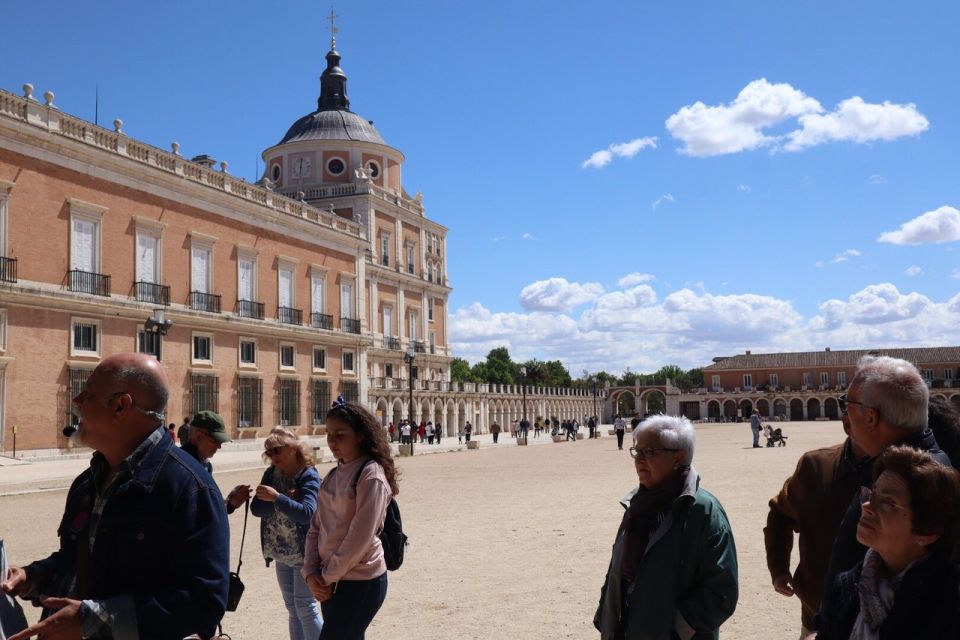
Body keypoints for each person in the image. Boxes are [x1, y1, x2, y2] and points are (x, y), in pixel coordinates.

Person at [0, 353, 229, 639]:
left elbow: (204, 601)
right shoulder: (88, 481)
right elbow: (77, 562)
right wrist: (32, 577)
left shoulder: (190, 487)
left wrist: (91, 619)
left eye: (88, 395)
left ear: (121, 406)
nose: (77, 401)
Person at [595, 415, 739, 639]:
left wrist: (677, 629)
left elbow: (721, 590)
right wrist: (606, 616)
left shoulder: (703, 511)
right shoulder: (637, 505)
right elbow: (618, 570)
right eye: (636, 451)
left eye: (649, 452)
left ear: (678, 457)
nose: (639, 460)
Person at [822, 356, 951, 590]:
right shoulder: (923, 469)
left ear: (870, 417)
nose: (845, 416)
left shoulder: (911, 480)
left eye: (846, 404)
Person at [814, 446, 960, 639]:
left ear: (928, 531)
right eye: (871, 494)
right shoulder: (845, 588)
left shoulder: (949, 603)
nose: (866, 506)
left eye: (888, 502)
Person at [303, 400, 398, 640]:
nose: (331, 441)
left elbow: (360, 537)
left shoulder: (370, 475)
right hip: (332, 581)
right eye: (328, 434)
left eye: (340, 434)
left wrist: (324, 577)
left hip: (360, 581)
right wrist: (310, 571)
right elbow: (316, 526)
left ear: (360, 436)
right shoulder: (335, 474)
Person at [765, 414, 862, 637]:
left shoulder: (909, 471)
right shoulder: (816, 466)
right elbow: (780, 514)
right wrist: (779, 568)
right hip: (816, 613)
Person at [227, 428, 323, 640]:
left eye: (277, 450)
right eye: (269, 451)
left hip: (304, 553)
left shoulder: (308, 475)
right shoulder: (271, 474)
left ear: (293, 448)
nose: (273, 455)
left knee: (305, 607)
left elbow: (307, 513)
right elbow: (257, 510)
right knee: (292, 608)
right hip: (280, 552)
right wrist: (277, 500)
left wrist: (278, 499)